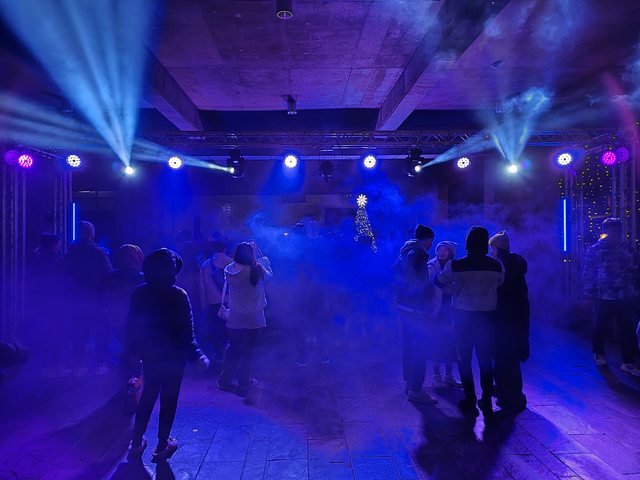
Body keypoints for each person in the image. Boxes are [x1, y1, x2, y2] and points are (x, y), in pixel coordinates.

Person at [126, 248, 210, 462]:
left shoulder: (139, 293)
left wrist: (132, 352)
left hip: (150, 353)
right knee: (169, 398)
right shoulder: (178, 295)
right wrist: (198, 355)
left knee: (148, 396)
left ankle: (136, 444)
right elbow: (187, 334)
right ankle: (163, 445)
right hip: (174, 357)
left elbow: (132, 327)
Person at [435, 226, 504, 416]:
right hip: (488, 318)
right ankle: (487, 400)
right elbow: (500, 283)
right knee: (485, 360)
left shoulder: (456, 265)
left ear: (467, 242)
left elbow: (438, 282)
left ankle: (470, 400)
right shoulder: (496, 265)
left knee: (464, 360)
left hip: (463, 318)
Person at [583, 218, 640, 376]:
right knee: (599, 326)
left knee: (627, 329)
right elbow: (589, 272)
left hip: (624, 295)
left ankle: (628, 362)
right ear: (605, 230)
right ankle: (599, 353)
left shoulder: (628, 248)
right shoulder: (596, 249)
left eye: (616, 230)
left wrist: (635, 291)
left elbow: (635, 270)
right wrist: (588, 294)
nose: (614, 233)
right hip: (604, 295)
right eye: (611, 229)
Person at [392, 224, 439, 404]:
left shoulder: (404, 252)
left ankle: (409, 384)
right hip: (416, 308)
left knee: (409, 346)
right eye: (430, 240)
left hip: (404, 306)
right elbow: (421, 284)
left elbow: (393, 276)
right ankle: (416, 389)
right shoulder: (418, 254)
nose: (431, 244)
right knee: (420, 348)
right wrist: (428, 303)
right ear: (425, 239)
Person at [217, 241, 272, 395]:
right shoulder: (256, 270)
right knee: (248, 350)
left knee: (232, 348)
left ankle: (224, 380)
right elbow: (269, 274)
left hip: (235, 316)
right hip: (254, 317)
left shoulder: (229, 270)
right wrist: (259, 253)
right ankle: (244, 382)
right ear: (252, 255)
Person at [63, 221, 112, 376]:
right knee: (101, 332)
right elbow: (108, 274)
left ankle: (78, 365)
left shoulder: (70, 252)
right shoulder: (98, 252)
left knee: (79, 332)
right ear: (92, 233)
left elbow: (63, 274)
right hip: (96, 298)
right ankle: (97, 366)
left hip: (76, 298)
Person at [489, 231, 529, 411]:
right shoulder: (518, 263)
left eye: (492, 248)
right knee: (513, 358)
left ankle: (504, 394)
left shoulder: (498, 265)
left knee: (500, 357)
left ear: (497, 248)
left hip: (502, 316)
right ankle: (516, 394)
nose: (491, 252)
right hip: (519, 315)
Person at [101, 244, 145, 380]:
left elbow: (102, 297)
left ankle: (126, 380)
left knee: (127, 348)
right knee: (134, 350)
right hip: (136, 320)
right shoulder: (142, 277)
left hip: (116, 318)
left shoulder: (109, 277)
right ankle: (133, 380)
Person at [30, 233, 69, 377]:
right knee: (56, 333)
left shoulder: (38, 258)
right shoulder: (56, 261)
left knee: (44, 333)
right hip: (55, 302)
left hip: (41, 302)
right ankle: (54, 365)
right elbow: (62, 280)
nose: (60, 246)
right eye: (58, 243)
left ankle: (45, 366)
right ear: (53, 245)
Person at [427, 241, 462, 388]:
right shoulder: (431, 265)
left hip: (450, 306)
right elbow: (429, 285)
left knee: (451, 343)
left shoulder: (456, 266)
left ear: (450, 253)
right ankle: (436, 376)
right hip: (436, 307)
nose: (441, 252)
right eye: (439, 249)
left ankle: (448, 375)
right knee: (436, 342)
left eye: (445, 250)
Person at [198, 239, 233, 363]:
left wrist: (204, 306)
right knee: (230, 332)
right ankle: (231, 360)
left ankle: (218, 359)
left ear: (212, 249)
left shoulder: (206, 265)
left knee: (216, 333)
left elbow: (202, 288)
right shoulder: (233, 263)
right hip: (231, 303)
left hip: (213, 304)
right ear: (225, 248)